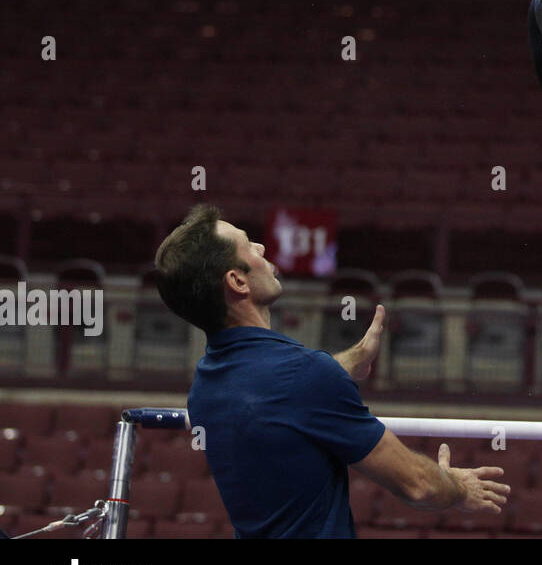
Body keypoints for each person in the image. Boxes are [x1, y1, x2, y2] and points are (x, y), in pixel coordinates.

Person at [153, 203, 508, 538]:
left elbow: (274, 395)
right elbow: (420, 485)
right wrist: (459, 488)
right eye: (249, 246)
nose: (262, 247)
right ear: (238, 281)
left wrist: (349, 361)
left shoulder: (206, 385)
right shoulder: (305, 377)